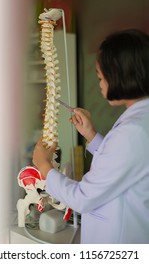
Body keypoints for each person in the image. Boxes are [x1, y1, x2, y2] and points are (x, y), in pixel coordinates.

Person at [32, 29, 149, 244]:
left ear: (119, 76)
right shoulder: (141, 120)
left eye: (100, 77)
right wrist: (91, 135)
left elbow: (82, 199)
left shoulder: (133, 131)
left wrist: (44, 166)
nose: (100, 84)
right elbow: (124, 163)